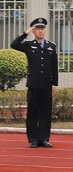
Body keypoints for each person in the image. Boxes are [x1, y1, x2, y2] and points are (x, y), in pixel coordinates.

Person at [11, 16, 59, 148]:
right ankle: (33, 139)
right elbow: (14, 44)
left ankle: (44, 138)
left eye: (42, 28)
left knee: (45, 112)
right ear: (34, 31)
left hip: (46, 84)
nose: (40, 31)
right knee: (32, 112)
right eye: (37, 29)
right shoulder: (28, 45)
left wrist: (54, 82)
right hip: (33, 84)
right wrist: (25, 33)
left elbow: (55, 66)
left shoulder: (51, 46)